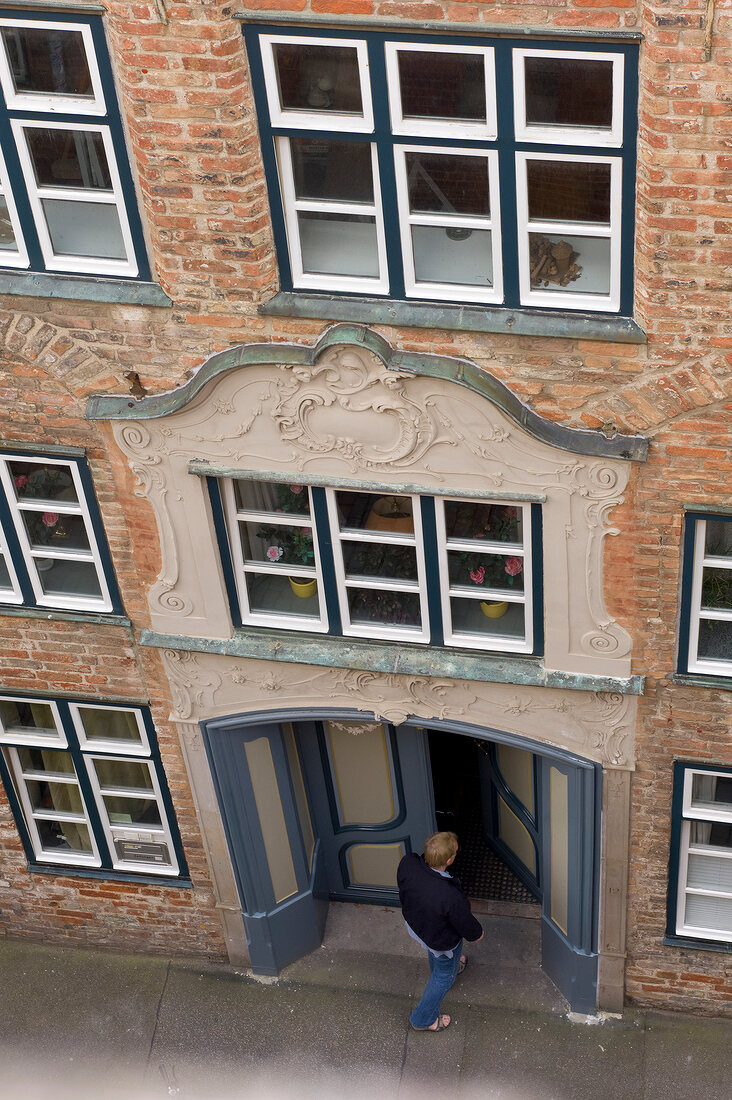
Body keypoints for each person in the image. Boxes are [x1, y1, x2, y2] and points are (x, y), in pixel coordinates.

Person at [397, 831, 483, 1032]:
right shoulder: (449, 895)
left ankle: (445, 967)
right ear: (450, 860)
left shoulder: (408, 863)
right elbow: (465, 924)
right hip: (441, 941)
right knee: (444, 976)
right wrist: (478, 934)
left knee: (435, 952)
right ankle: (422, 1019)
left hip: (419, 926)